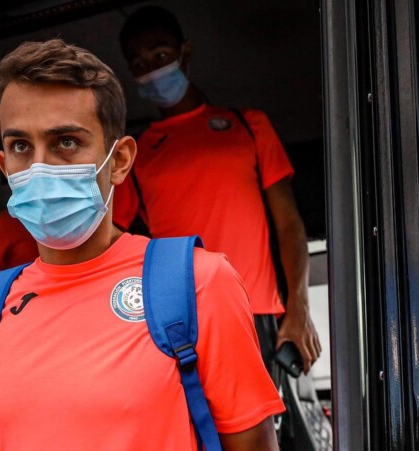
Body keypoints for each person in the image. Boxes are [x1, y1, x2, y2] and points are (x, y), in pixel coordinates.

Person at [0, 39, 288, 451]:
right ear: (3, 164)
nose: (41, 166)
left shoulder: (196, 282)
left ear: (120, 160)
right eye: (21, 146)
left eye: (67, 142)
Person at [117, 6, 321, 377]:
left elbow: (289, 225)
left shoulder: (248, 125)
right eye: (139, 63)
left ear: (186, 51)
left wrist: (299, 309)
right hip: (176, 321)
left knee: (260, 417)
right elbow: (111, 239)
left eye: (160, 55)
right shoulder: (134, 153)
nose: (152, 70)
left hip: (253, 311)